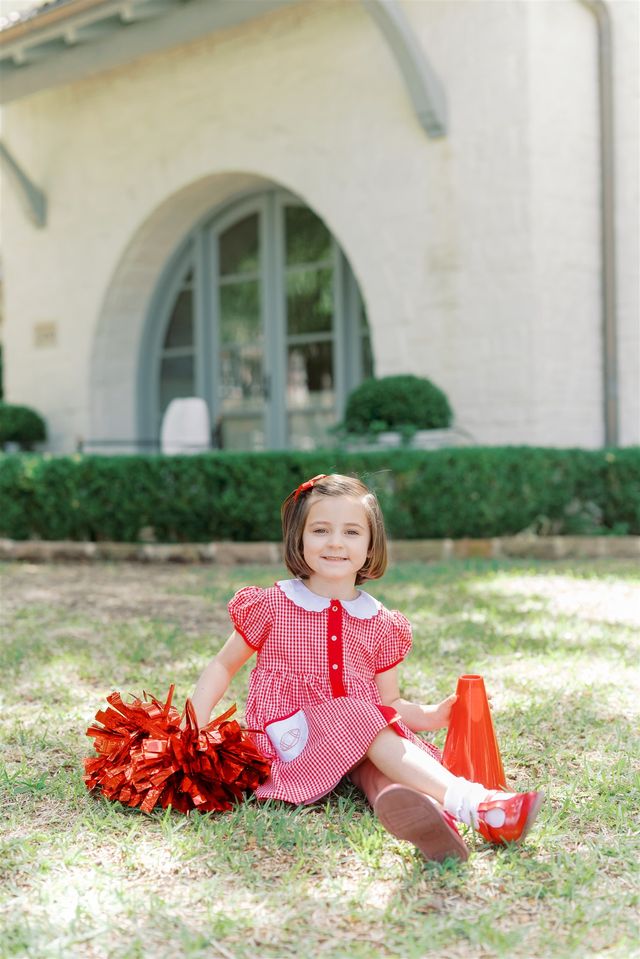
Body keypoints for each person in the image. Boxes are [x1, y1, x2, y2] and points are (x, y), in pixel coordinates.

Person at [190, 473, 543, 861]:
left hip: (357, 738)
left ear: (371, 543)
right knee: (359, 715)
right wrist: (193, 725)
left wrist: (431, 715)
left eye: (352, 532)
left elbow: (388, 702)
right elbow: (223, 666)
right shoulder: (274, 604)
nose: (336, 542)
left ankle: (439, 821)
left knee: (382, 774)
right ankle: (477, 802)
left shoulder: (379, 622)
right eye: (321, 530)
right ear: (299, 538)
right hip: (292, 738)